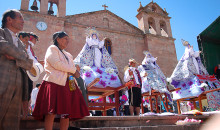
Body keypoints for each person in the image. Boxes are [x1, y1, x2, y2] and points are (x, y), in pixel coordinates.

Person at [32, 31, 89, 130]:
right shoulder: (52, 49)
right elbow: (57, 64)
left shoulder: (68, 55)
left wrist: (73, 86)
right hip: (54, 83)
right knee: (51, 111)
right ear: (58, 39)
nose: (68, 41)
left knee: (66, 113)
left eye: (68, 39)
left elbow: (70, 72)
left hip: (67, 84)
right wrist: (74, 70)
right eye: (65, 39)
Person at [0, 9, 33, 129]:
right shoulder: (1, 32)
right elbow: (3, 47)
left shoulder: (21, 43)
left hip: (18, 89)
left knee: (11, 124)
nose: (23, 21)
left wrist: (14, 58)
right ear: (9, 19)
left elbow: (29, 64)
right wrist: (22, 57)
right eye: (20, 18)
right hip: (2, 83)